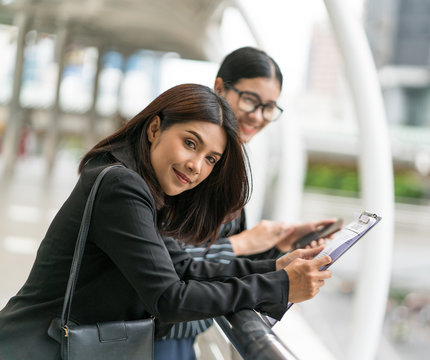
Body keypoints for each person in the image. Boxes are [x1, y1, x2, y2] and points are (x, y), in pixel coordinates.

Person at [0, 83, 332, 359]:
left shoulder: (144, 188)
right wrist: (281, 286)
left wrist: (273, 269)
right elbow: (170, 299)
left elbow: (184, 269)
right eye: (190, 143)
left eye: (210, 159)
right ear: (155, 128)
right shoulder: (122, 187)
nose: (196, 166)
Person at [155, 47, 338, 359]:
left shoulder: (229, 170)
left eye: (269, 107)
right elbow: (170, 258)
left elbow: (213, 261)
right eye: (250, 100)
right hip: (155, 333)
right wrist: (244, 243)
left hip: (179, 332)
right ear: (219, 88)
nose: (257, 115)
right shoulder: (187, 168)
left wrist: (280, 246)